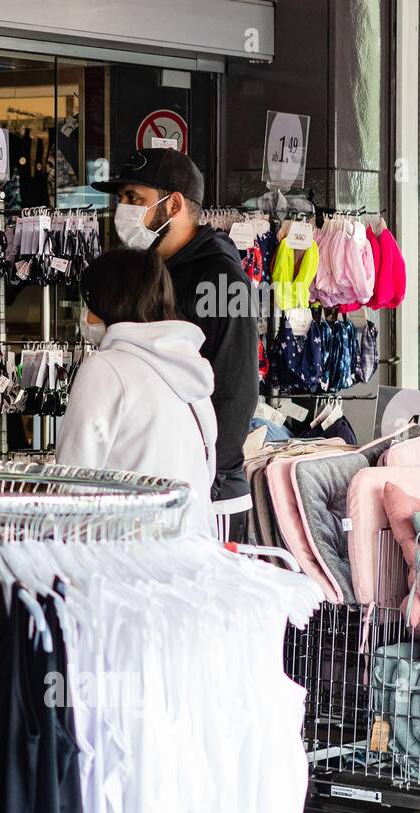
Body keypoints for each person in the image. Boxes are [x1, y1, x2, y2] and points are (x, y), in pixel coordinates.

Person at [92, 148, 257, 540]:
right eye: (121, 200)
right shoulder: (149, 269)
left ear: (175, 204)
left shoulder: (221, 278)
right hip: (159, 490)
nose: (124, 210)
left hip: (208, 497)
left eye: (136, 199)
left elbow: (236, 386)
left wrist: (207, 477)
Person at [55, 248, 217, 537]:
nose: (86, 315)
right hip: (195, 549)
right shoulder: (190, 370)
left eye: (90, 303)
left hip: (127, 554)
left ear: (110, 302)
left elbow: (74, 475)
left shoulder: (105, 368)